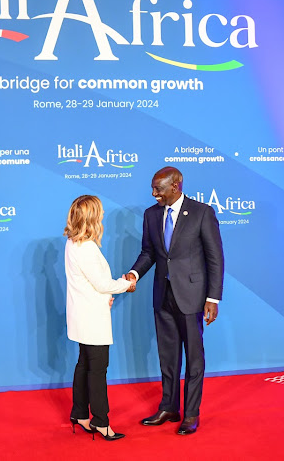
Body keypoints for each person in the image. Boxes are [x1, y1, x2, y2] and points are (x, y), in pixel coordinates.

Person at [125, 167, 224, 435]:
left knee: (194, 358)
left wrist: (212, 298)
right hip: (162, 296)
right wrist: (134, 273)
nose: (153, 193)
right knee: (168, 357)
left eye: (158, 188)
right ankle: (169, 406)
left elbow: (215, 259)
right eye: (153, 188)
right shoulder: (151, 214)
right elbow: (149, 253)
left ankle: (191, 413)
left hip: (192, 297)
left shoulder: (202, 213)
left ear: (176, 186)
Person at [64, 195, 135, 441]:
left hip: (83, 313)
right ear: (92, 216)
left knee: (84, 364)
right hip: (91, 318)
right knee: (97, 369)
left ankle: (80, 414)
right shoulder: (86, 248)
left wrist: (104, 294)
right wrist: (127, 284)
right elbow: (103, 283)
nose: (103, 215)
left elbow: (89, 284)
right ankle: (101, 422)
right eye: (100, 211)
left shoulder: (73, 242)